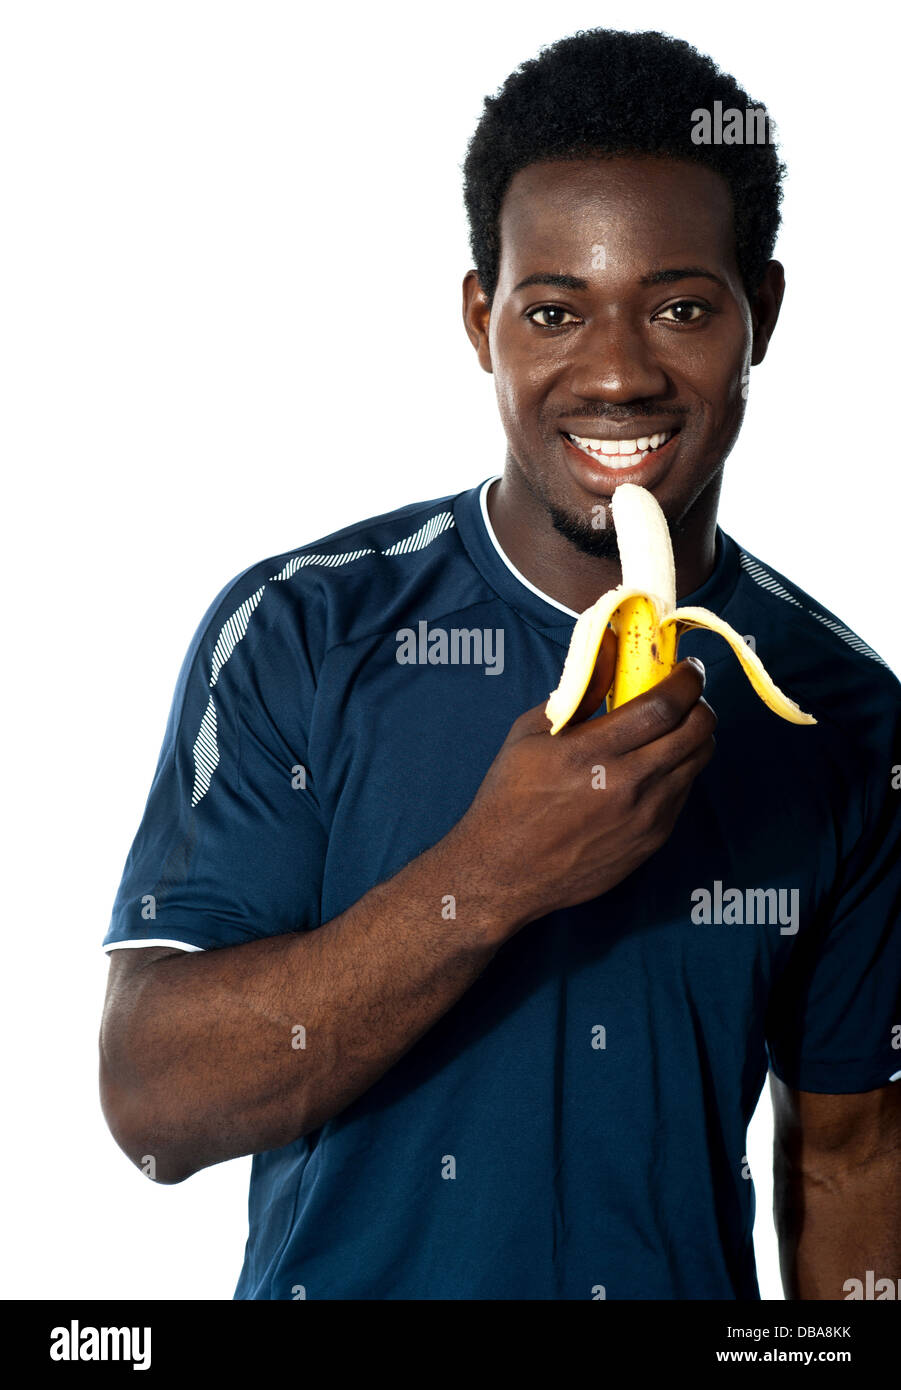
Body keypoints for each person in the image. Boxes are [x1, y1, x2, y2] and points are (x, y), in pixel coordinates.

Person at [99, 28, 901, 1300]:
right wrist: (490, 874)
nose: (619, 371)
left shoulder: (845, 712)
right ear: (484, 321)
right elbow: (152, 1108)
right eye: (554, 311)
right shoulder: (302, 632)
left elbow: (847, 1162)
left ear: (767, 315)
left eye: (682, 306)